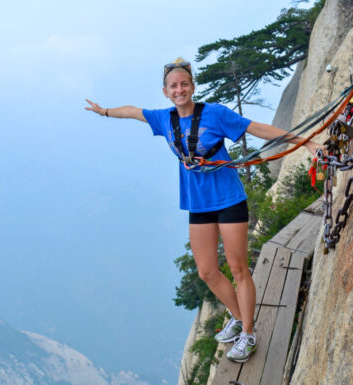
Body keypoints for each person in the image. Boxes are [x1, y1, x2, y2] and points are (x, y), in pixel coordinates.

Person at [84, 58, 322, 363]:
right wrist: (104, 111)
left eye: (184, 84)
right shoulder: (164, 119)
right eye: (174, 86)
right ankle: (238, 317)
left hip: (228, 199)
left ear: (192, 86)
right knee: (207, 271)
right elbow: (132, 112)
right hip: (198, 204)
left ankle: (248, 333)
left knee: (237, 268)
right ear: (166, 91)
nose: (180, 89)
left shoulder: (215, 113)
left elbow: (257, 128)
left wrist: (304, 141)